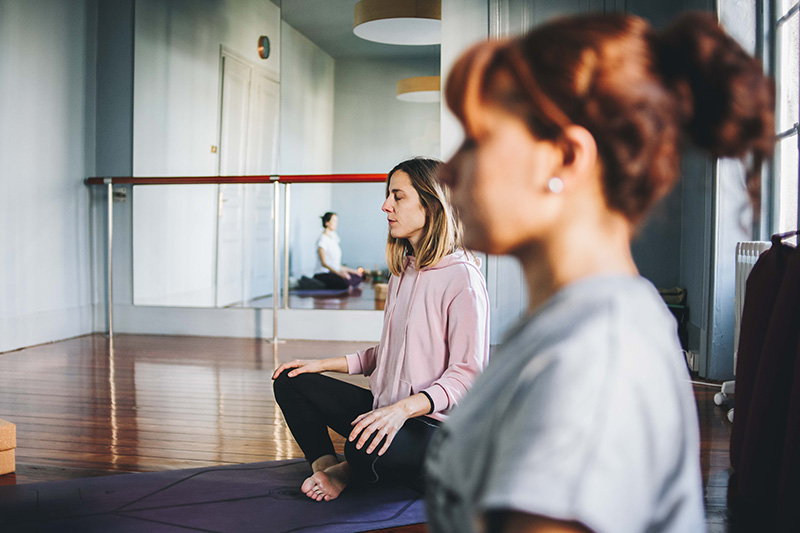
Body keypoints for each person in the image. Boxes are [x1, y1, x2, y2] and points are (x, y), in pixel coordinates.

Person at [425, 12, 774, 533]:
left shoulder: (592, 359)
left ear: (565, 158)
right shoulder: (571, 323)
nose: (448, 170)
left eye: (476, 138)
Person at [273, 157, 490, 502]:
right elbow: (392, 349)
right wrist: (324, 365)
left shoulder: (463, 279)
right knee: (290, 380)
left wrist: (401, 410)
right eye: (389, 195)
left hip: (434, 429)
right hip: (386, 409)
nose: (386, 205)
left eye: (398, 196)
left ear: (431, 204)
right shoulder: (402, 272)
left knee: (364, 449)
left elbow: (467, 374)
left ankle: (351, 467)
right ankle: (329, 466)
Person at [309, 212, 362, 290]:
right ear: (327, 223)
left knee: (358, 277)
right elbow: (324, 263)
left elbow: (336, 265)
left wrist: (354, 271)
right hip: (323, 274)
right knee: (345, 282)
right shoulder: (322, 240)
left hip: (334, 272)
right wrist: (339, 274)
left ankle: (346, 283)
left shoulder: (333, 239)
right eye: (333, 221)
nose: (336, 223)